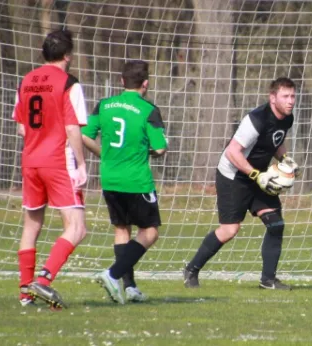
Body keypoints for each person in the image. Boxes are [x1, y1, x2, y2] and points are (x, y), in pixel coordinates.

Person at [183, 77, 300, 290]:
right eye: (285, 96)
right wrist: (256, 175)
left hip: (257, 176)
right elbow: (232, 151)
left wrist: (286, 160)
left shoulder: (286, 118)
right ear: (272, 97)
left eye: (293, 96)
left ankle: (268, 281)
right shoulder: (256, 119)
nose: (291, 101)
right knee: (229, 230)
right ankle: (191, 269)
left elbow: (276, 141)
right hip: (233, 176)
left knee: (276, 224)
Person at [12, 29, 88, 308]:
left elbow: (21, 126)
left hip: (30, 160)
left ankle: (24, 293)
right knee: (77, 228)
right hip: (58, 161)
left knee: (32, 225)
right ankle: (42, 282)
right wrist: (81, 164)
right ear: (68, 55)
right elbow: (72, 127)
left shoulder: (27, 80)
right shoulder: (69, 83)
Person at [81, 60, 168, 304]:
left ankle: (128, 288)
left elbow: (85, 135)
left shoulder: (105, 105)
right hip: (136, 181)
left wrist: (104, 155)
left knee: (122, 230)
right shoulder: (147, 109)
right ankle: (112, 274)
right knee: (149, 232)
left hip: (110, 178)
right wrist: (149, 150)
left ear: (122, 81)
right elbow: (160, 148)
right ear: (146, 84)